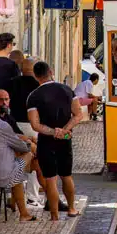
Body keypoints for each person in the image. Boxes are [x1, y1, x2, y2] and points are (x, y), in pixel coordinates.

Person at [27, 61, 81, 221]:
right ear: (51, 71)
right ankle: (71, 208)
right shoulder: (67, 90)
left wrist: (53, 132)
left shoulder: (34, 96)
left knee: (50, 178)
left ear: (36, 76)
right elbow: (78, 115)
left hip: (45, 141)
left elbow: (35, 125)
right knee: (66, 175)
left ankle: (54, 215)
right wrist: (64, 130)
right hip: (65, 139)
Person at [8, 58, 40, 135]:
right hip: (33, 126)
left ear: (21, 69)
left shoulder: (11, 83)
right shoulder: (40, 85)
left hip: (14, 125)